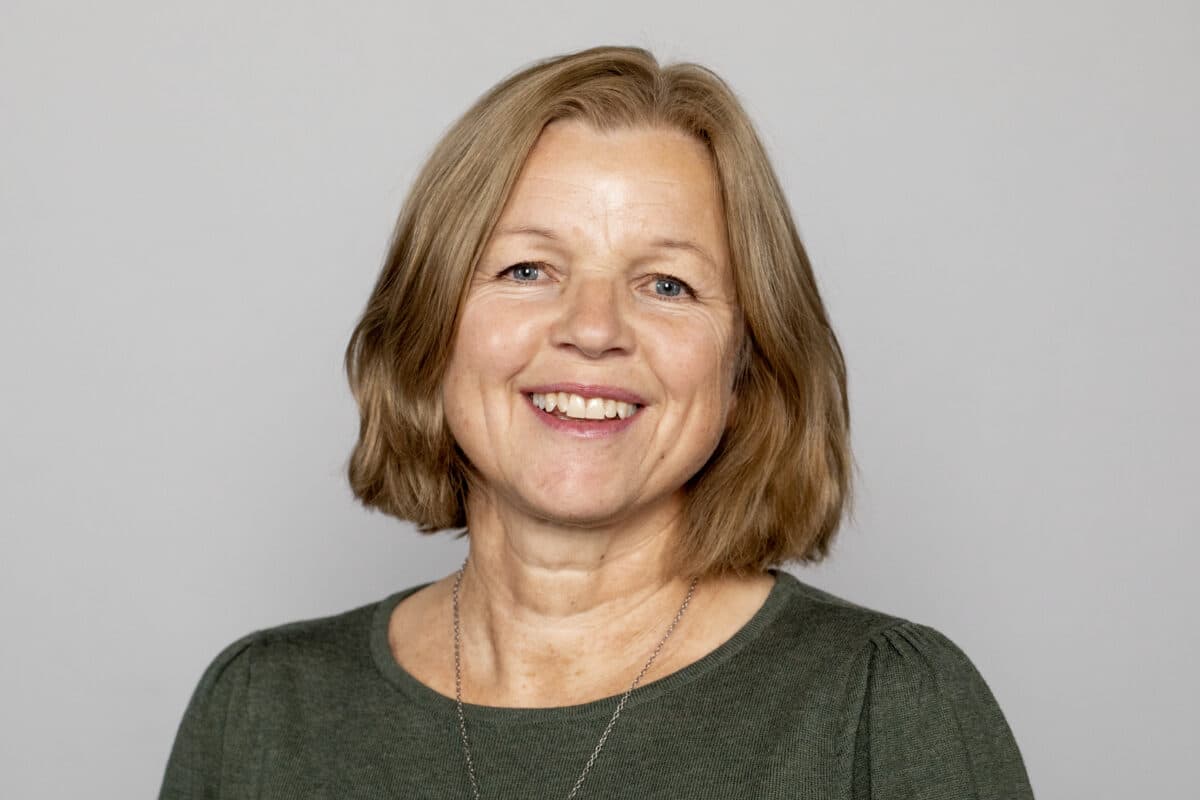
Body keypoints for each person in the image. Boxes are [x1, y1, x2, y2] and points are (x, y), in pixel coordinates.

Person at [158, 45, 1035, 799]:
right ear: (431, 328)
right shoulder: (261, 713)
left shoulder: (886, 708)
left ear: (746, 364)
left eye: (667, 285)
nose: (592, 328)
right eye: (528, 270)